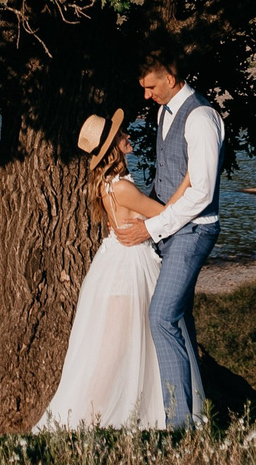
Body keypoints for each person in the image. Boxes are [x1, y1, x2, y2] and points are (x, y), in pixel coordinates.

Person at [31, 114, 169, 431]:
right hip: (127, 270)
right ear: (113, 147)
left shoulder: (110, 184)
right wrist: (189, 183)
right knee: (115, 351)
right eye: (122, 133)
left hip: (115, 264)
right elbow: (166, 214)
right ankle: (86, 419)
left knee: (125, 345)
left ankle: (114, 413)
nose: (127, 135)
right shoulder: (120, 188)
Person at [110, 52, 223, 427]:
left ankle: (178, 425)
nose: (146, 95)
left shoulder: (202, 118)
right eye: (143, 88)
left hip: (194, 230)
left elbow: (202, 192)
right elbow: (170, 178)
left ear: (172, 77)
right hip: (171, 229)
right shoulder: (164, 113)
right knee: (180, 320)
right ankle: (196, 416)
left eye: (151, 86)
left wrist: (151, 228)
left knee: (161, 316)